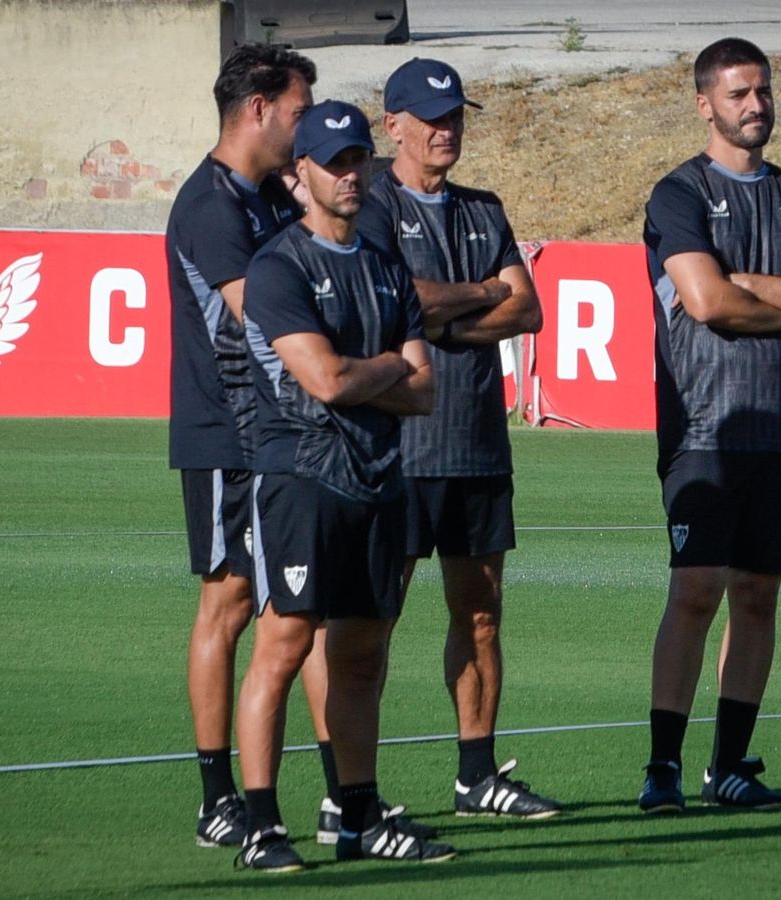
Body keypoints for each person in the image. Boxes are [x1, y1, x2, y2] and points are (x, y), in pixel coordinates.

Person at [234, 100, 455, 870]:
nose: (353, 173)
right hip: (301, 478)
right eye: (335, 162)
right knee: (285, 643)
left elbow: (427, 392)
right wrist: (391, 367)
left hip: (379, 479)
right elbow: (323, 381)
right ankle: (261, 824)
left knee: (361, 656)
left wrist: (382, 374)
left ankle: (359, 814)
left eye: (359, 158)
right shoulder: (278, 266)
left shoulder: (385, 262)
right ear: (301, 175)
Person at [638, 37, 781, 814]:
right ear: (705, 103)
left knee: (758, 595)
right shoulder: (679, 194)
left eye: (762, 91)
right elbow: (706, 303)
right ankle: (662, 766)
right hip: (706, 427)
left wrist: (749, 288)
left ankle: (728, 766)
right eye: (738, 94)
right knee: (695, 590)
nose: (755, 105)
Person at [353, 56, 555, 819]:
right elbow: (396, 299)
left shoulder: (483, 207)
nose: (446, 129)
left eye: (455, 115)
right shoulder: (371, 207)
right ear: (393, 124)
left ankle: (477, 777)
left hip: (475, 444)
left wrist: (442, 312)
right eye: (431, 117)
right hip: (397, 449)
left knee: (480, 614)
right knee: (373, 623)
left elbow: (528, 309)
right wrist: (480, 293)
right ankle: (354, 793)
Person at [164, 42, 311, 850]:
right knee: (228, 604)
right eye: (296, 110)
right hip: (229, 433)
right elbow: (266, 309)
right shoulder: (211, 204)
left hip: (281, 436)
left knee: (297, 610)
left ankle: (336, 793)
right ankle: (217, 795)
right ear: (258, 109)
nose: (303, 125)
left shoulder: (264, 197)